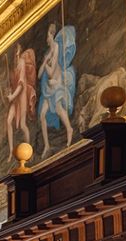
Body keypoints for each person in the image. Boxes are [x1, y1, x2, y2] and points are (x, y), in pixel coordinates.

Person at [37, 23, 76, 158]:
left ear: (51, 35)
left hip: (57, 84)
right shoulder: (48, 53)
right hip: (48, 88)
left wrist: (47, 64)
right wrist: (44, 62)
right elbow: (39, 74)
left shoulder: (57, 47)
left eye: (48, 36)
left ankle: (69, 130)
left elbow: (52, 70)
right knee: (42, 114)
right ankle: (47, 145)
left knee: (59, 108)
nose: (47, 39)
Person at [5, 42, 36, 161]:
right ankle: (11, 151)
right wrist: (9, 93)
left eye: (17, 50)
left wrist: (12, 96)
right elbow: (13, 83)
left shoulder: (22, 63)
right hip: (15, 97)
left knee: (23, 124)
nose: (16, 53)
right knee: (8, 121)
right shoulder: (13, 67)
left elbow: (21, 84)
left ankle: (30, 151)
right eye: (15, 51)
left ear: (20, 51)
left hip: (21, 96)